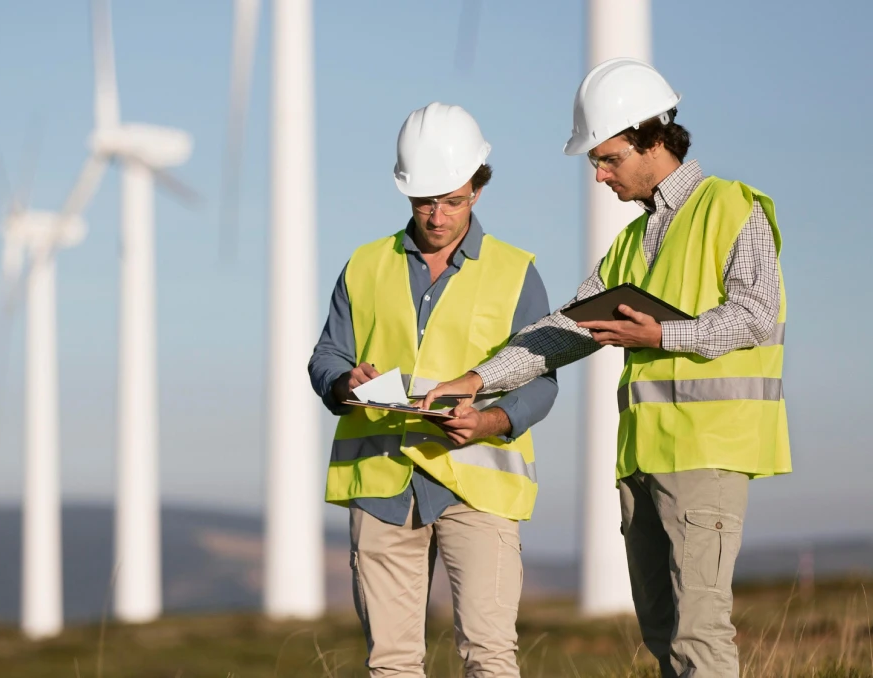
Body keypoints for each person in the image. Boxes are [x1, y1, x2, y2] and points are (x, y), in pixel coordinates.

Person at [422, 58, 789, 677]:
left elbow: (758, 315)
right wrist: (478, 380)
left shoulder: (731, 207)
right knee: (664, 632)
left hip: (709, 454)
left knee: (700, 631)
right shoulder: (631, 241)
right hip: (644, 457)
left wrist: (661, 333)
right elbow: (567, 329)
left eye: (608, 158)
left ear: (652, 139)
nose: (598, 175)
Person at [308, 102, 559, 678]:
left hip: (478, 484)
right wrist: (344, 381)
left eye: (452, 200)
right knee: (391, 663)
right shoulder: (364, 266)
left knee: (490, 657)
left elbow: (542, 379)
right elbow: (327, 355)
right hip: (381, 483)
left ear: (478, 187)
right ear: (405, 191)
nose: (438, 215)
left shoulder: (516, 271)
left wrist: (492, 421)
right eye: (425, 201)